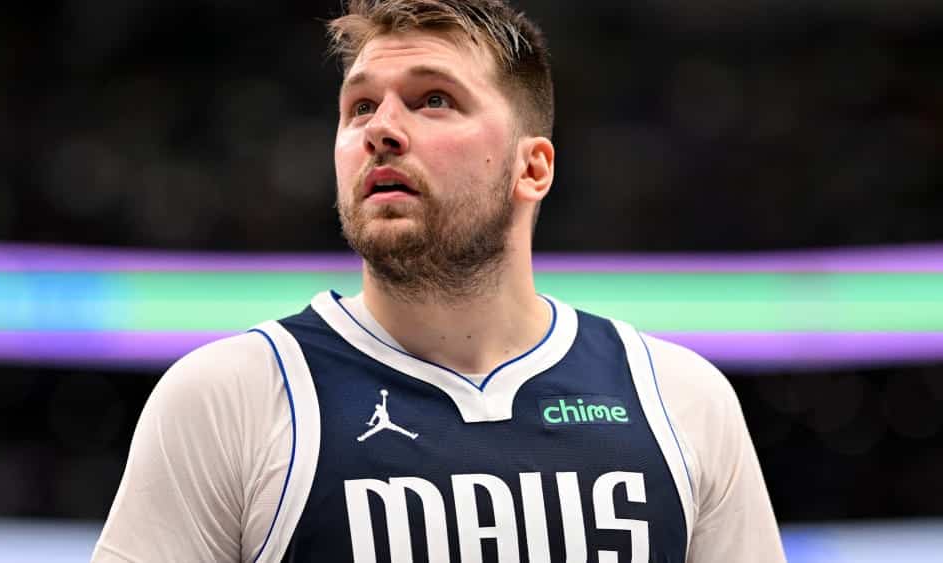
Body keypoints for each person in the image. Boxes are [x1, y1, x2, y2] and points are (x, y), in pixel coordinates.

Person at [92, 1, 786, 561]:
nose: (382, 129)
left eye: (433, 99)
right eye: (360, 106)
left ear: (532, 168)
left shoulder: (680, 399)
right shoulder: (229, 397)